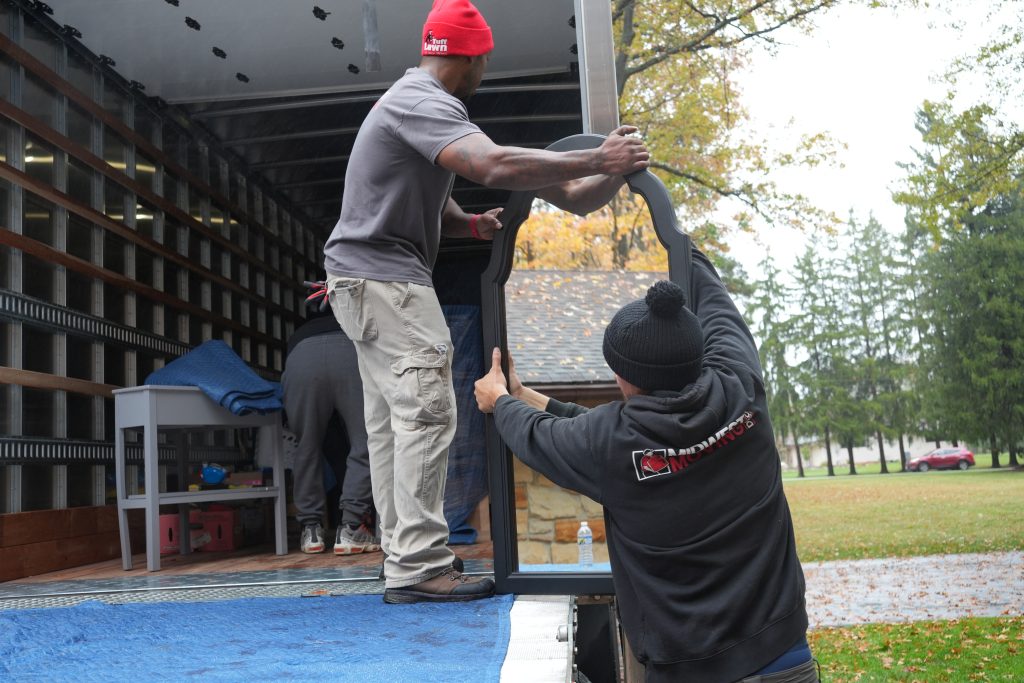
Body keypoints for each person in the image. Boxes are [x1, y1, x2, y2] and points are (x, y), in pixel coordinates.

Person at [323, 0, 649, 604]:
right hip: (385, 279)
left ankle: (404, 562)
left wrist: (467, 224)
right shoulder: (423, 102)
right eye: (485, 59)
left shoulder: (416, 107)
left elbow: (573, 197)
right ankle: (420, 566)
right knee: (425, 411)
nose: (486, 70)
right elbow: (492, 164)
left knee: (394, 426)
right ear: (468, 57)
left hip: (362, 280)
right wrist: (598, 155)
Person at [474, 260, 817, 681]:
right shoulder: (740, 385)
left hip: (688, 672)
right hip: (784, 656)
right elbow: (716, 299)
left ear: (624, 377)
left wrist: (500, 400)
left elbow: (538, 437)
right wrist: (668, 222)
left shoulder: (610, 443)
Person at [282, 297, 379, 557]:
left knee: (306, 445)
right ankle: (350, 527)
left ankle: (311, 530)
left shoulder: (301, 330)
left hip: (300, 358)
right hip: (351, 350)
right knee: (366, 442)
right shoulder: (355, 319)